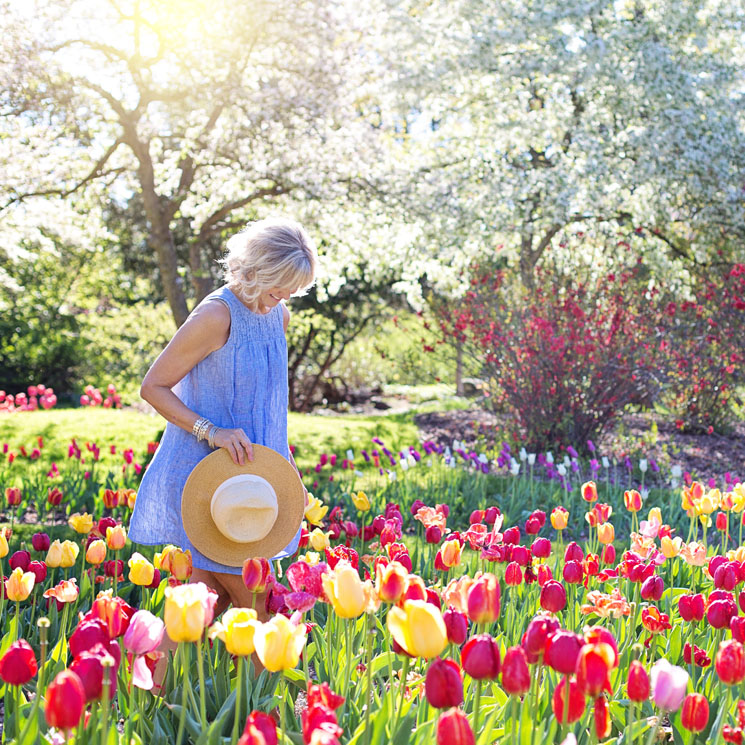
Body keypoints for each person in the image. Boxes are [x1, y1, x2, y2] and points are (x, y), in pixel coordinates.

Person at [129, 216, 317, 623]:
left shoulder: (278, 316)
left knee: (198, 610)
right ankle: (270, 690)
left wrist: (288, 472)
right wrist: (210, 432)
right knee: (264, 612)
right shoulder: (216, 316)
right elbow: (153, 387)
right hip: (213, 484)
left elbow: (269, 409)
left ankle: (153, 687)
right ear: (256, 271)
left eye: (292, 291)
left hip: (255, 482)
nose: (283, 298)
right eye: (278, 287)